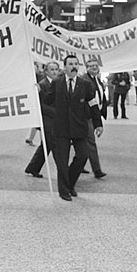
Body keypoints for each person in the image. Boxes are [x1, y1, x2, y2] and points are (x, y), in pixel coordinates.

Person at [44, 55, 103, 201]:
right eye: (70, 64)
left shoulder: (85, 84)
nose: (73, 66)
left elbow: (93, 104)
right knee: (62, 161)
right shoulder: (57, 83)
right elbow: (47, 101)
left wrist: (98, 123)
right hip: (61, 127)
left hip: (79, 126)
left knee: (83, 155)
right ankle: (64, 191)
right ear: (65, 67)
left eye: (76, 64)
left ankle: (69, 183)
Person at [24, 61, 60, 178]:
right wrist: (56, 113)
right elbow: (40, 105)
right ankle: (63, 171)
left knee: (46, 145)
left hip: (54, 120)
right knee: (55, 146)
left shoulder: (58, 83)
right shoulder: (42, 85)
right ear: (46, 72)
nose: (54, 72)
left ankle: (33, 167)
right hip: (47, 120)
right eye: (52, 69)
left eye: (56, 69)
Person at [81, 59, 108, 179]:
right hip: (86, 116)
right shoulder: (84, 80)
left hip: (93, 115)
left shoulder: (98, 80)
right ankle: (97, 170)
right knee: (90, 142)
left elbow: (100, 98)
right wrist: (98, 123)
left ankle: (79, 164)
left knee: (82, 142)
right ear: (86, 68)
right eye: (91, 66)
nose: (94, 67)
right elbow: (91, 102)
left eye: (96, 66)